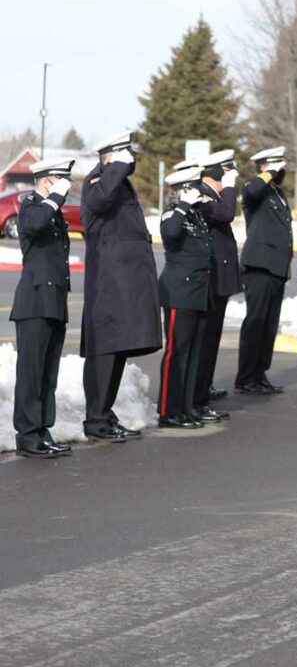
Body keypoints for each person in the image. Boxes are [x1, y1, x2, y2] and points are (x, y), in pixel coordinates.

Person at [81, 131, 161, 443]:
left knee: (117, 350)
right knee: (105, 349)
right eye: (125, 153)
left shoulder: (117, 181)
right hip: (108, 281)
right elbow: (100, 203)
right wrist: (115, 167)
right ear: (111, 155)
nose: (132, 158)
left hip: (122, 280)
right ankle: (96, 419)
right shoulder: (98, 179)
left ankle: (104, 413)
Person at [11, 158, 75, 458]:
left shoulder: (52, 209)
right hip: (34, 302)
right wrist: (54, 197)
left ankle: (42, 430)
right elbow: (33, 225)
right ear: (46, 179)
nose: (66, 184)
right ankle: (27, 435)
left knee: (48, 373)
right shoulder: (31, 205)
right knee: (31, 372)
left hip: (54, 301)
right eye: (60, 178)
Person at [157, 167, 216, 429]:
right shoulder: (174, 212)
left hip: (198, 293)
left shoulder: (196, 215)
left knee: (193, 354)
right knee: (176, 353)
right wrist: (183, 205)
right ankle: (169, 411)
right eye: (193, 187)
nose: (197, 192)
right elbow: (169, 233)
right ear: (182, 189)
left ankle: (186, 406)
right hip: (179, 292)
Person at [235, 147, 293, 395]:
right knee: (256, 323)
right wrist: (268, 173)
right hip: (260, 265)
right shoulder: (254, 188)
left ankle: (260, 374)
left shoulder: (278, 194)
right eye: (275, 165)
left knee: (269, 325)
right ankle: (246, 377)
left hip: (276, 266)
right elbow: (250, 191)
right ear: (263, 166)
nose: (280, 170)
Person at [193, 149, 239, 416]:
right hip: (209, 281)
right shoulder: (201, 195)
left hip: (219, 280)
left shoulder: (214, 196)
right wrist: (230, 188)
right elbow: (225, 214)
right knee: (205, 341)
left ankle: (204, 388)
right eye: (228, 171)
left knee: (212, 340)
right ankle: (197, 396)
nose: (232, 176)